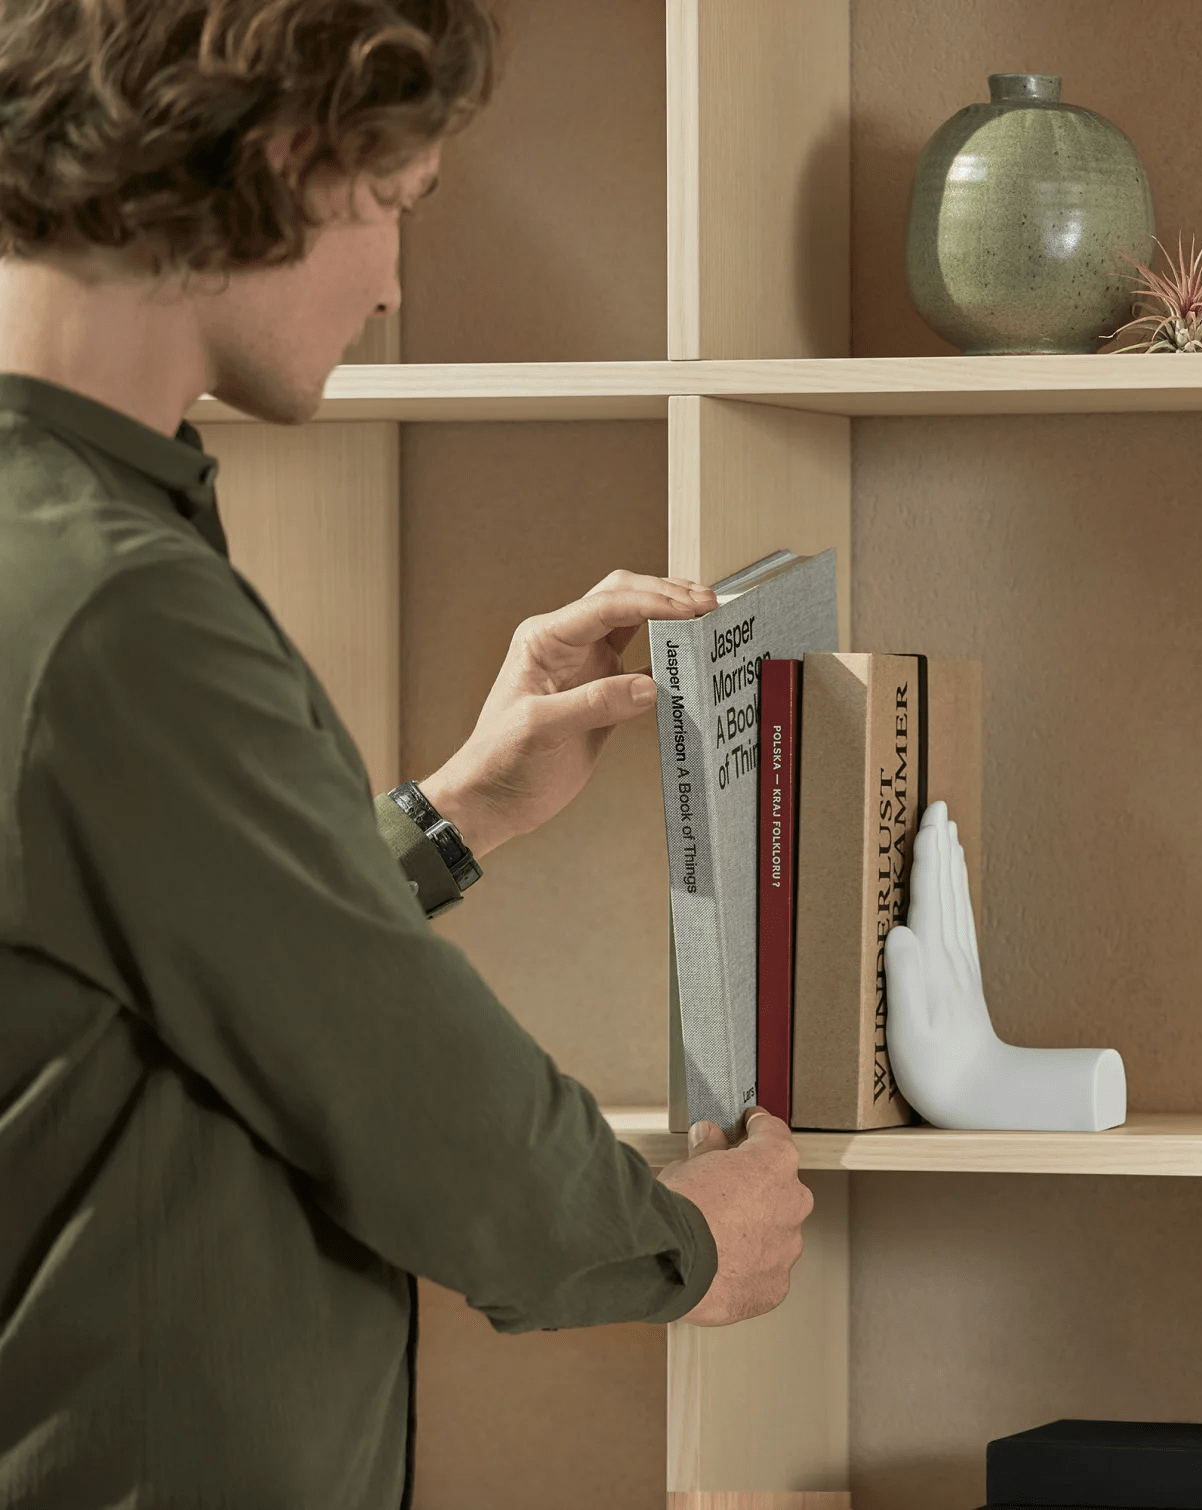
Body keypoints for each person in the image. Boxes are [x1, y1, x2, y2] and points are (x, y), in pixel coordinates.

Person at [0, 1, 813, 1504]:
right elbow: (412, 1098)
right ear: (289, 157)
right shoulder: (120, 611)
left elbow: (176, 972)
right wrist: (682, 1239)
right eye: (393, 205)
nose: (389, 281)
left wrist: (444, 821)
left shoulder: (59, 546)